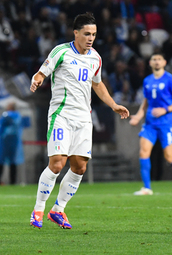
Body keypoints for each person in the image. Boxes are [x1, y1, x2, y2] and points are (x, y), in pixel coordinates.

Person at [29, 13, 129, 229]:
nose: (90, 38)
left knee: (80, 167)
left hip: (84, 118)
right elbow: (41, 72)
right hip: (61, 115)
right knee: (57, 164)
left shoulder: (96, 58)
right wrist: (37, 79)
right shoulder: (61, 52)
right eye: (86, 34)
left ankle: (58, 210)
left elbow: (98, 84)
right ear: (76, 33)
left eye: (93, 34)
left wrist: (113, 105)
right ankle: (38, 209)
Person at [129, 53, 172, 195]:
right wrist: (138, 116)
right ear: (150, 63)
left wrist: (165, 109)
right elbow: (145, 103)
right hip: (149, 124)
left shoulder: (170, 80)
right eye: (154, 59)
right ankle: (147, 188)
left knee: (169, 157)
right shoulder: (147, 81)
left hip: (166, 124)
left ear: (164, 62)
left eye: (159, 59)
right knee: (143, 152)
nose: (157, 62)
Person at [0, 102, 29, 185]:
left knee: (3, 161)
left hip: (5, 141)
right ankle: (13, 181)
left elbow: (2, 126)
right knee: (12, 162)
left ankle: (8, 180)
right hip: (14, 142)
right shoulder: (18, 116)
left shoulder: (7, 115)